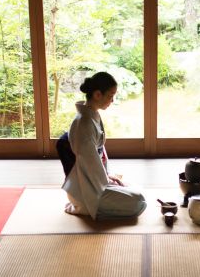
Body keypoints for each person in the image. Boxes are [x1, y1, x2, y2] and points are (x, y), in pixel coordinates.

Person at [62, 71, 147, 220]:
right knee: (138, 200)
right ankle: (85, 208)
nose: (112, 100)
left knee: (135, 190)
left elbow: (96, 159)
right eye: (110, 96)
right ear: (97, 95)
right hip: (87, 191)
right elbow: (90, 165)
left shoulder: (91, 115)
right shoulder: (84, 123)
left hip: (93, 180)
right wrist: (108, 181)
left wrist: (109, 177)